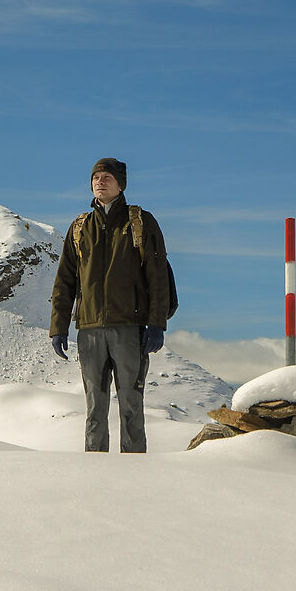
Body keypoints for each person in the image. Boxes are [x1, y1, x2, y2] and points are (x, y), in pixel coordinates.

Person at [50, 157, 171, 454]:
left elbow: (157, 277)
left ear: (120, 184)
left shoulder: (140, 222)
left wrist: (156, 323)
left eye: (107, 177)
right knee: (94, 408)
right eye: (96, 177)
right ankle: (96, 473)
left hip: (129, 327)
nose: (99, 181)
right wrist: (58, 327)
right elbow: (65, 280)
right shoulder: (80, 227)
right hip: (89, 329)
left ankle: (133, 470)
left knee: (131, 404)